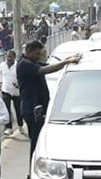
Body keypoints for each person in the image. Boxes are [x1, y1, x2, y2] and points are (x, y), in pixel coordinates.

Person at [18, 40, 81, 171]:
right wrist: (66, 62)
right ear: (28, 51)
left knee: (40, 141)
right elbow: (46, 69)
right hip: (32, 111)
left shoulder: (32, 62)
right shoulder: (24, 64)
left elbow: (50, 65)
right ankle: (32, 171)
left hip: (39, 110)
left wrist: (68, 59)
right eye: (36, 54)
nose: (38, 57)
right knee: (36, 143)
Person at [0, 49, 22, 132]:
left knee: (18, 108)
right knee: (6, 108)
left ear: (14, 57)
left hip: (16, 91)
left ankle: (20, 125)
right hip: (6, 89)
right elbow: (0, 74)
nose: (9, 58)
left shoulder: (18, 66)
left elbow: (21, 77)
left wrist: (18, 84)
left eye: (11, 57)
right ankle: (9, 127)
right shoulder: (2, 65)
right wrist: (0, 83)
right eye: (8, 57)